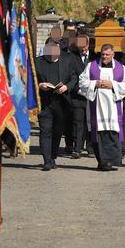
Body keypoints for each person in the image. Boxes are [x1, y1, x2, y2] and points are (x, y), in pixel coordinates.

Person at [79, 44, 125, 171]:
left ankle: (110, 161)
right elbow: (81, 82)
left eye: (107, 55)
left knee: (112, 134)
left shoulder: (120, 68)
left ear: (113, 54)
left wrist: (113, 85)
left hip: (113, 108)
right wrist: (95, 83)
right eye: (103, 54)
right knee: (98, 135)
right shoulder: (91, 66)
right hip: (97, 108)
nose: (104, 57)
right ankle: (102, 162)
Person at [35, 39, 78, 171]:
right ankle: (47, 160)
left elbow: (74, 78)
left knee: (57, 131)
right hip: (44, 102)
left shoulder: (67, 61)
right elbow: (30, 79)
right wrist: (39, 85)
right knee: (45, 130)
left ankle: (53, 156)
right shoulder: (37, 62)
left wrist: (66, 87)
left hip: (61, 102)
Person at [68, 34, 92, 159]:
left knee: (91, 122)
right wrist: (79, 89)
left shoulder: (95, 57)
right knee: (78, 122)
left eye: (85, 46)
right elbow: (71, 75)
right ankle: (77, 149)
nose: (83, 49)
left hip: (92, 95)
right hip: (77, 95)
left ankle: (90, 148)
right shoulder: (72, 57)